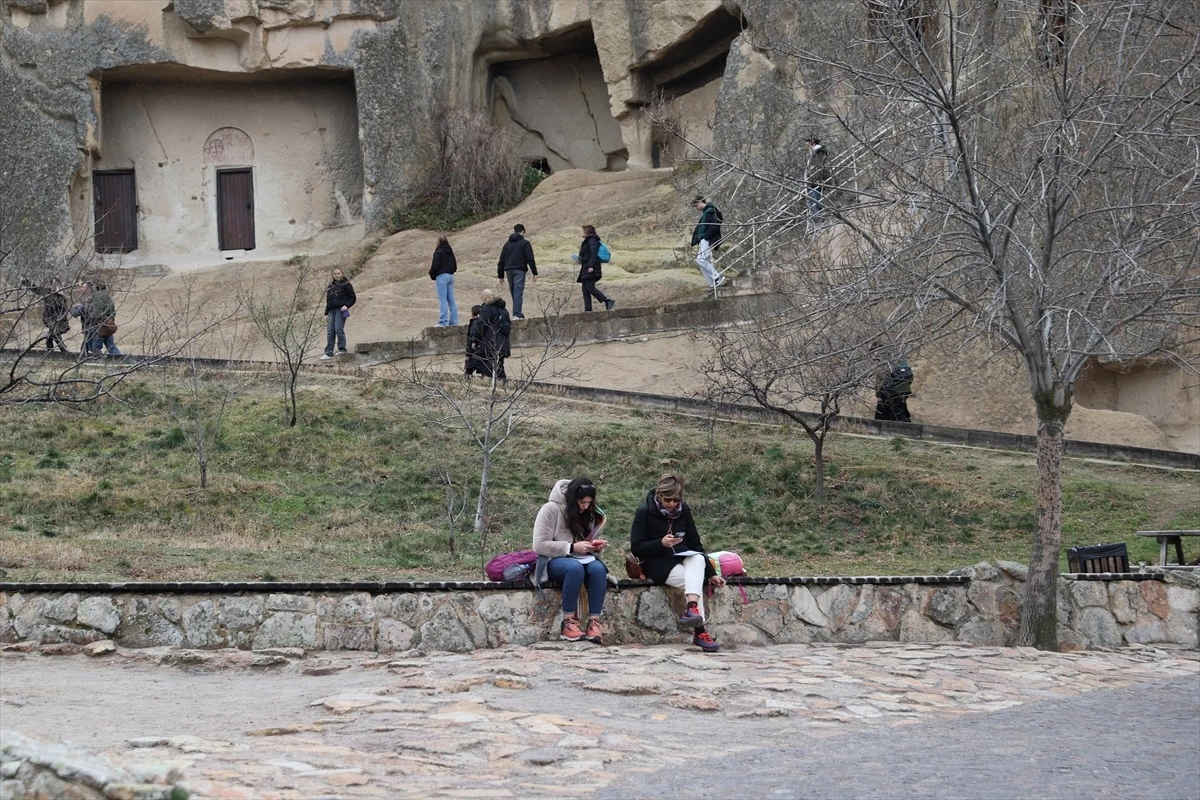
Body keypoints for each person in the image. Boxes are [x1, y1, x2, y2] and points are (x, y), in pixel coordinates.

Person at [630, 473, 726, 652]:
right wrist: (661, 543)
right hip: (656, 562)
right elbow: (636, 547)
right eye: (668, 500)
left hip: (683, 557)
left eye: (676, 500)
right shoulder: (644, 511)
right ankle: (700, 631)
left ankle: (692, 609)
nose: (673, 504)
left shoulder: (685, 511)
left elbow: (696, 544)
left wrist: (711, 573)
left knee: (697, 558)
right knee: (694, 581)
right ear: (659, 494)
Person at [533, 477, 610, 643]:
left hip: (582, 558)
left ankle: (594, 623)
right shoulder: (550, 509)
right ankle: (568, 623)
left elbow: (586, 544)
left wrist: (594, 547)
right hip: (553, 560)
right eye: (582, 502)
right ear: (572, 499)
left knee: (598, 569)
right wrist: (571, 547)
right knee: (574, 568)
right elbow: (539, 545)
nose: (585, 506)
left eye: (589, 502)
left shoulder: (588, 514)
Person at [496, 223, 537, 320]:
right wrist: (534, 272)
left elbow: (502, 259)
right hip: (519, 270)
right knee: (518, 292)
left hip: (508, 270)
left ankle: (517, 312)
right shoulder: (525, 243)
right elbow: (530, 258)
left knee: (514, 292)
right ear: (523, 231)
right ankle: (517, 314)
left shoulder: (507, 244)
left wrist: (500, 275)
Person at [21, 279, 70, 353]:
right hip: (53, 321)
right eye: (52, 284)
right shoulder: (49, 293)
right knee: (49, 337)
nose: (52, 285)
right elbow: (37, 289)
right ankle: (51, 353)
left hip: (57, 322)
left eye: (54, 284)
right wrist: (26, 282)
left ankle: (63, 352)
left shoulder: (61, 297)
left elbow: (62, 311)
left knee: (54, 335)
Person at [575, 225, 615, 312]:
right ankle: (588, 309)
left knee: (589, 287)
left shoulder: (592, 240)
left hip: (591, 267)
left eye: (581, 231)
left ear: (586, 231)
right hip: (586, 267)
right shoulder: (588, 240)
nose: (580, 232)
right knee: (585, 288)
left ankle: (607, 300)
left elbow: (593, 253)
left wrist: (591, 266)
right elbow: (588, 254)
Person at [690, 196, 724, 291]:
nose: (696, 208)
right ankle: (713, 284)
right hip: (704, 239)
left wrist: (706, 237)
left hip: (707, 239)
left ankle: (717, 277)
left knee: (700, 260)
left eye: (696, 205)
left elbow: (716, 224)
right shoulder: (706, 212)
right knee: (703, 262)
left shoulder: (711, 210)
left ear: (700, 202)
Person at [321, 267, 356, 360]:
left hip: (341, 310)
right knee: (330, 331)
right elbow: (328, 301)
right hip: (331, 310)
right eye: (335, 274)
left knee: (338, 329)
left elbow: (352, 298)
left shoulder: (346, 285)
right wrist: (326, 313)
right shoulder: (330, 287)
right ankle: (329, 353)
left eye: (338, 273)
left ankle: (342, 349)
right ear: (332, 275)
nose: (337, 275)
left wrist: (346, 305)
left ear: (342, 274)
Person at [478, 288, 511, 380]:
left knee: (487, 365)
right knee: (499, 365)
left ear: (485, 298)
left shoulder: (487, 308)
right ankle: (503, 384)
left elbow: (482, 325)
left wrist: (475, 339)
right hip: (503, 343)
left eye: (482, 297)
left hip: (490, 343)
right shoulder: (504, 310)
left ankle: (493, 385)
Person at [429, 235, 459, 327]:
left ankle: (443, 321)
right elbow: (455, 265)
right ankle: (454, 322)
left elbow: (435, 266)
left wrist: (432, 274)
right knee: (451, 301)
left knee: (442, 300)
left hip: (442, 276)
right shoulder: (450, 252)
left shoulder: (438, 252)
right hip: (450, 276)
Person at [85, 281, 121, 356]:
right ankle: (120, 360)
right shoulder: (107, 296)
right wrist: (110, 320)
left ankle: (99, 361)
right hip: (108, 324)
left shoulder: (97, 296)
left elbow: (95, 313)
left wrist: (90, 319)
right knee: (111, 346)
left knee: (95, 347)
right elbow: (113, 311)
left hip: (98, 325)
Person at [805, 137, 833, 219]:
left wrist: (817, 178)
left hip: (818, 179)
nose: (806, 146)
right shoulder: (812, 153)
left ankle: (818, 217)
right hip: (813, 179)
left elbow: (818, 164)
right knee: (812, 200)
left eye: (807, 144)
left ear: (812, 143)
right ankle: (818, 216)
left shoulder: (819, 152)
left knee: (815, 200)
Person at [464, 305, 487, 376]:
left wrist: (468, 353)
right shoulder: (484, 322)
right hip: (482, 350)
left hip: (474, 352)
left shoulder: (475, 323)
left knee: (468, 371)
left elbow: (472, 337)